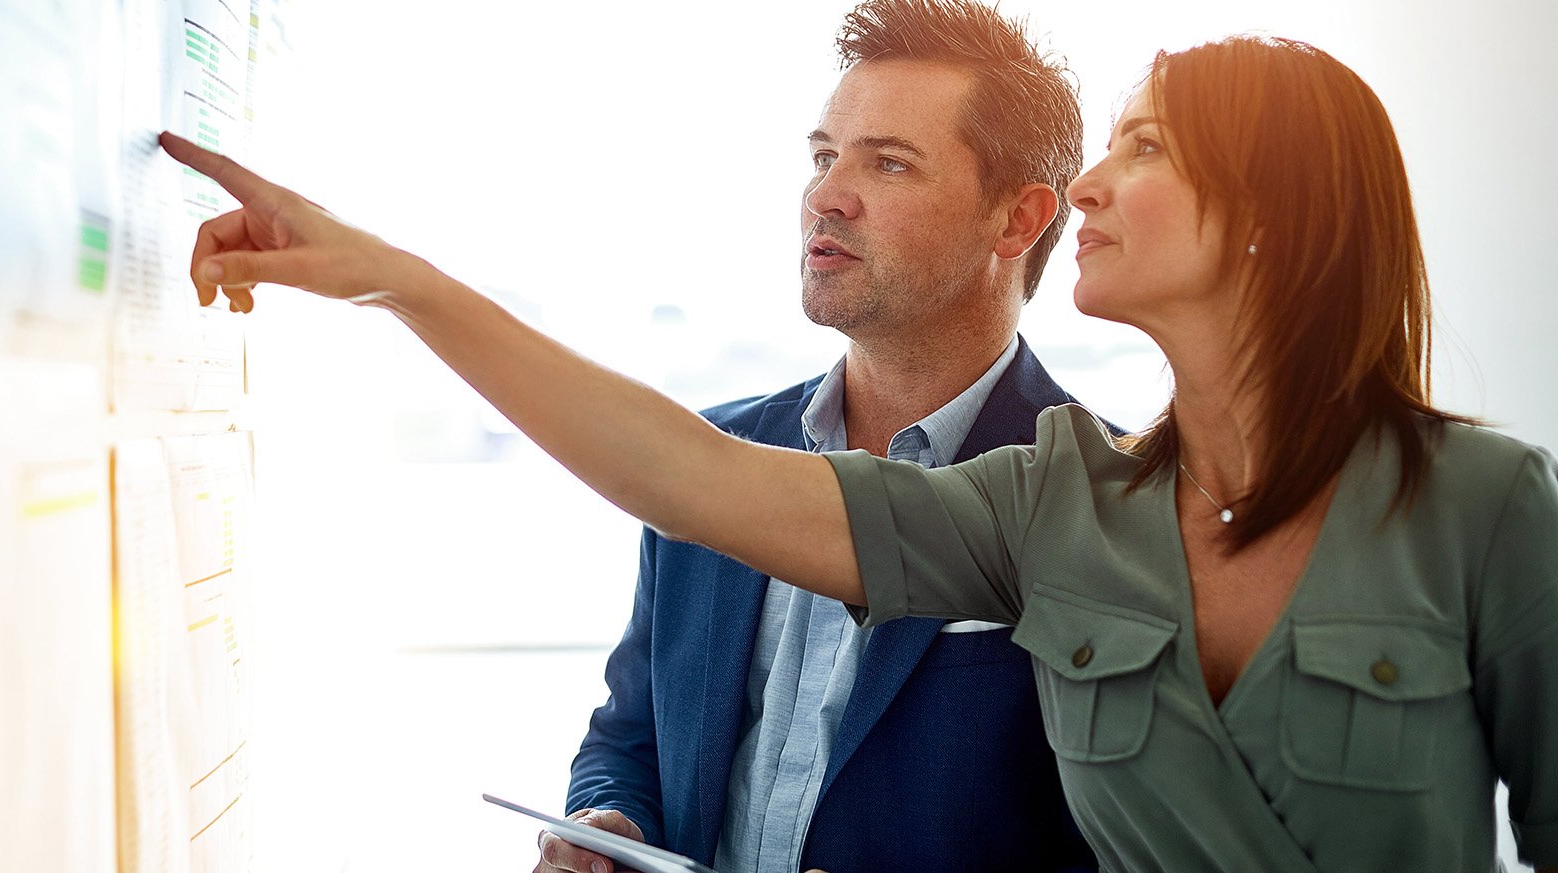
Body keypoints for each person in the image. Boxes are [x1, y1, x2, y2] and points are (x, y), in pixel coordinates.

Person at [158, 33, 1558, 873]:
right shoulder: (1052, 505)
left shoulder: (1487, 509)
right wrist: (391, 277)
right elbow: (682, 476)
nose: (1090, 187)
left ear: (1270, 218)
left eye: (1145, 149)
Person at [555, 2, 1096, 872]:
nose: (825, 195)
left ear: (1018, 220)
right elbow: (629, 735)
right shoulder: (710, 460)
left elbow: (1110, 837)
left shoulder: (1103, 497)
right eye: (822, 156)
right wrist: (608, 821)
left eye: (888, 162)